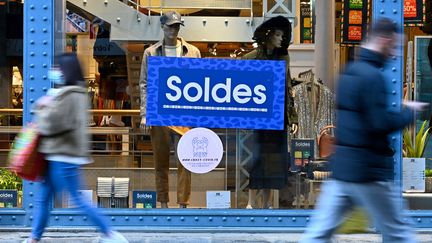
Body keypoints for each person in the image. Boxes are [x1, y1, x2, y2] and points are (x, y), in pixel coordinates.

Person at [301, 18, 424, 243]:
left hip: (343, 170)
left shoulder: (350, 72)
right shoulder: (373, 77)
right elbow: (379, 123)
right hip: (369, 172)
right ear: (385, 40)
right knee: (398, 234)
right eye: (395, 46)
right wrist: (409, 112)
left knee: (318, 234)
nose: (395, 53)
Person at [23, 53, 128, 243]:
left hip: (62, 155)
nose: (54, 71)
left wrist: (41, 107)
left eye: (58, 67)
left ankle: (111, 234)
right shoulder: (74, 94)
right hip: (56, 154)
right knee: (43, 198)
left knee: (76, 199)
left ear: (65, 70)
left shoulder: (69, 95)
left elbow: (52, 125)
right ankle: (34, 238)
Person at [139, 11, 201, 208]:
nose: (173, 30)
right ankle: (163, 201)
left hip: (184, 113)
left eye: (176, 26)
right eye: (170, 26)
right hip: (159, 113)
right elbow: (144, 84)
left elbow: (200, 83)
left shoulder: (192, 52)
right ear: (162, 27)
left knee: (186, 159)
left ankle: (183, 202)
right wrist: (145, 114)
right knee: (161, 160)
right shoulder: (151, 52)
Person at [241, 16, 298, 209]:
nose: (281, 38)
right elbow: (242, 87)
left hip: (278, 117)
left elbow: (288, 87)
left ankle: (266, 202)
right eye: (277, 34)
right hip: (259, 117)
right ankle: (250, 202)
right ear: (268, 36)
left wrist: (293, 117)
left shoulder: (283, 58)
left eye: (283, 35)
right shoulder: (250, 58)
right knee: (257, 157)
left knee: (274, 160)